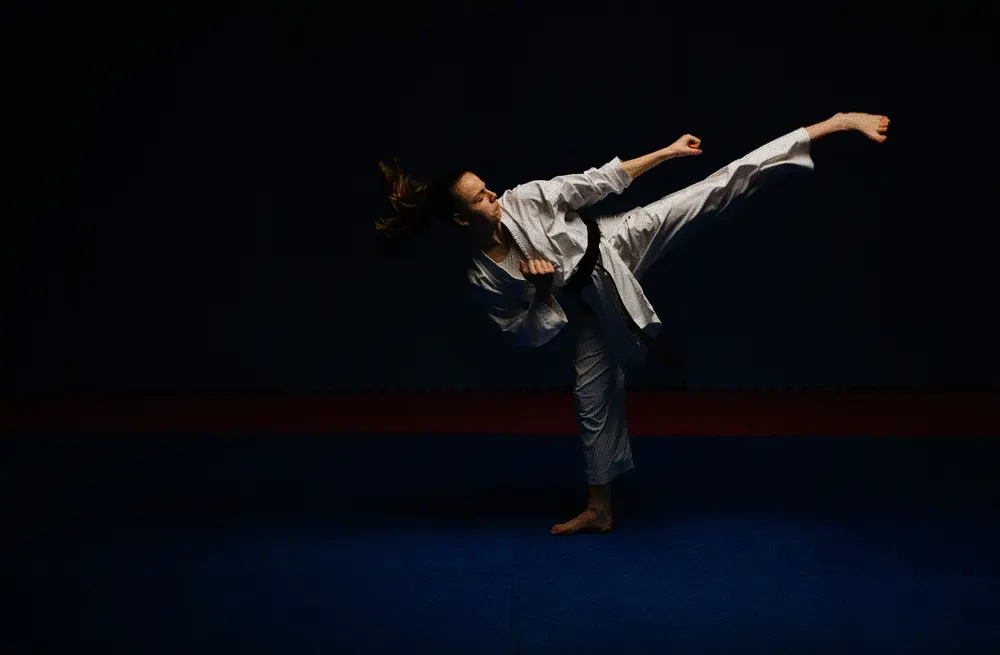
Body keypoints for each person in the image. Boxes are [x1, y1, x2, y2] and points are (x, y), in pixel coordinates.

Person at [375, 111, 890, 535]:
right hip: (591, 304)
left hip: (620, 240)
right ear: (463, 219)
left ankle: (833, 124)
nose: (496, 194)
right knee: (590, 394)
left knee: (717, 187)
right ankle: (601, 507)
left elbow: (599, 181)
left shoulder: (525, 197)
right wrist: (538, 289)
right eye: (483, 196)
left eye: (488, 186)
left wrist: (666, 152)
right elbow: (525, 334)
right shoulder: (482, 279)